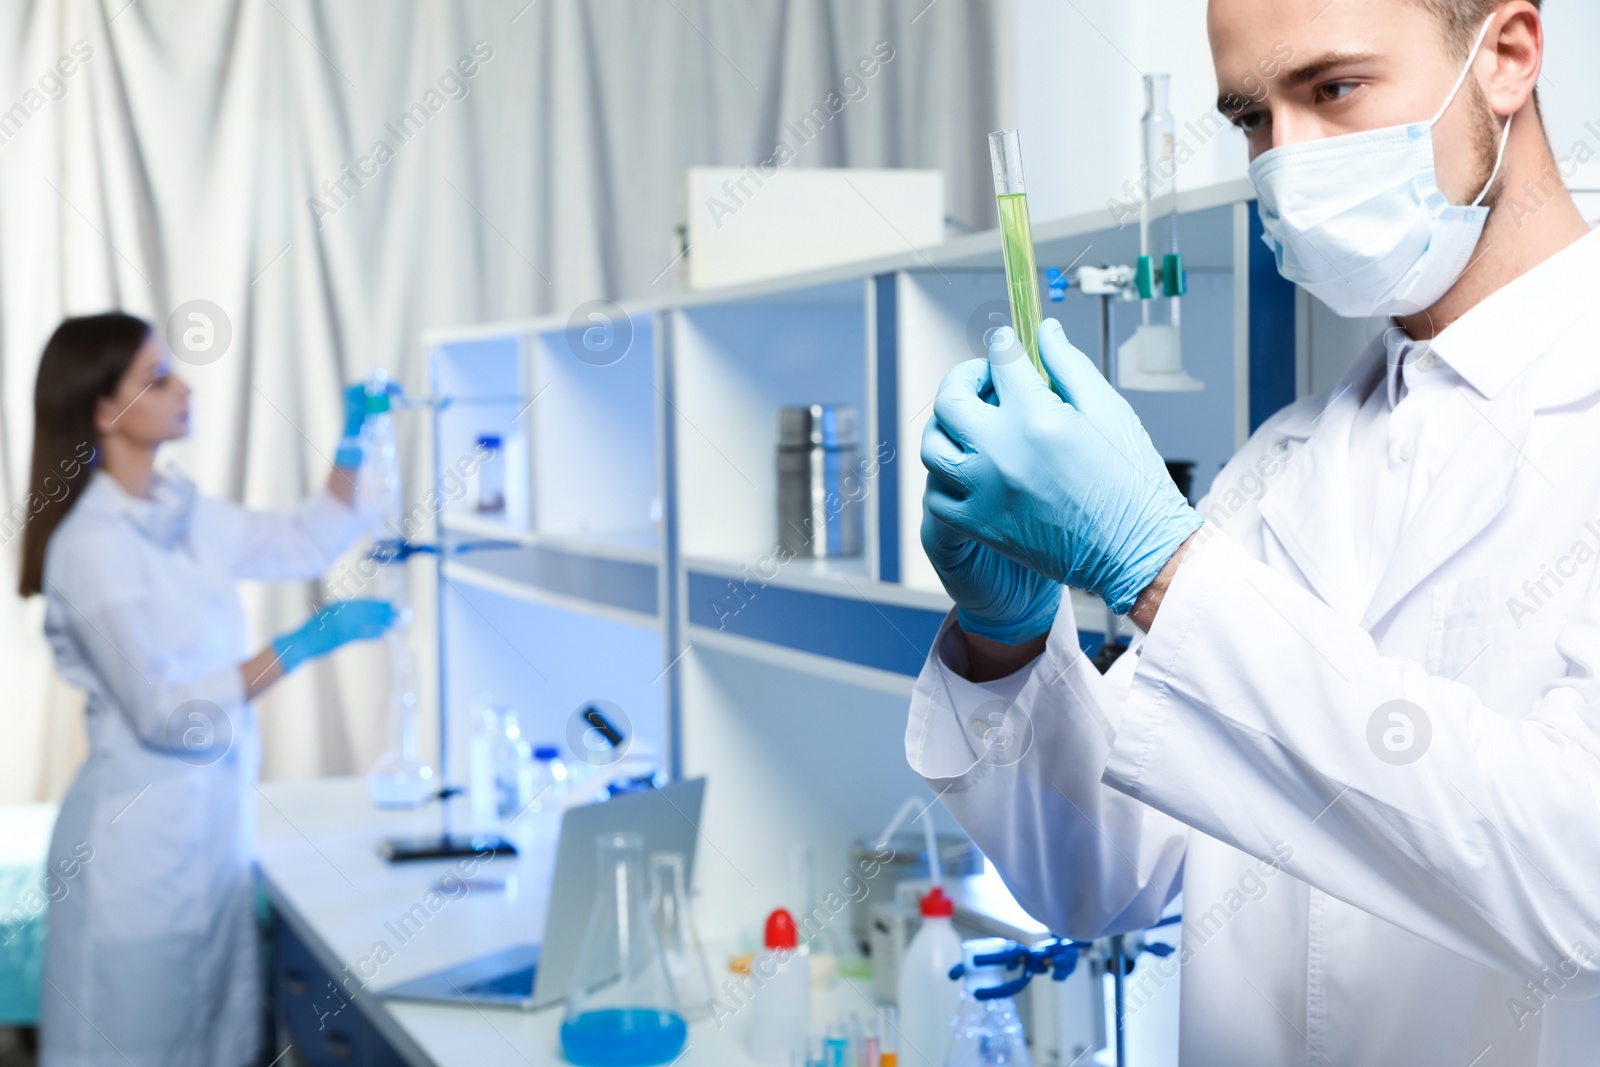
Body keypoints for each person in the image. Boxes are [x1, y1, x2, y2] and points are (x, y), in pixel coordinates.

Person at [911, 0, 1600, 1063]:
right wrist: (1004, 636)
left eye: (1330, 89)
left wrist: (1161, 566)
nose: (1285, 162)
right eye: (1249, 118)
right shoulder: (1283, 460)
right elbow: (1102, 876)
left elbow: (1577, 875)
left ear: (1505, 57)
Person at [18, 312, 395, 1067]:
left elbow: (303, 540)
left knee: (213, 1042)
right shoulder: (89, 547)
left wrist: (352, 439)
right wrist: (298, 645)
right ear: (103, 410)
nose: (184, 386)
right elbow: (165, 712)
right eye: (157, 378)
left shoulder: (181, 513)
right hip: (136, 853)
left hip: (211, 840)